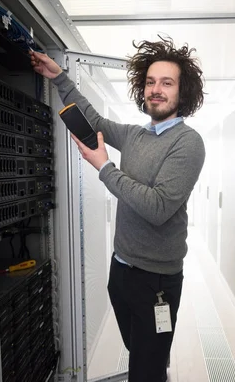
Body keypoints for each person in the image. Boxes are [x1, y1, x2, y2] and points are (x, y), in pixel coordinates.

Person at [30, 36, 206, 382]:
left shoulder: (188, 143)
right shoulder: (135, 135)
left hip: (156, 279)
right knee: (141, 352)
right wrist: (59, 78)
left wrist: (104, 167)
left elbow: (157, 208)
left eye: (166, 83)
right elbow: (92, 119)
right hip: (121, 268)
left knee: (147, 368)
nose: (156, 90)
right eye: (151, 82)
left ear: (182, 93)